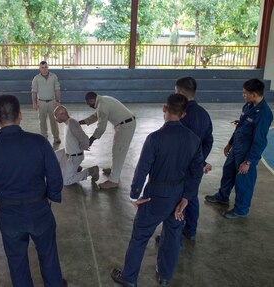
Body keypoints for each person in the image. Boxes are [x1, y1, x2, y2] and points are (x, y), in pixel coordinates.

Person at [0, 95, 67, 287]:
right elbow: (55, 177)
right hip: (40, 209)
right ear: (20, 115)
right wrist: (51, 198)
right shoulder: (39, 143)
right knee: (49, 257)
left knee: (17, 263)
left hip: (9, 215)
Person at [110, 94, 203, 287]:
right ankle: (164, 275)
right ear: (184, 114)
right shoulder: (193, 139)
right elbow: (196, 172)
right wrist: (187, 197)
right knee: (172, 236)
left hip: (155, 195)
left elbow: (142, 168)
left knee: (141, 235)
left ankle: (129, 277)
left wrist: (135, 194)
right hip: (178, 194)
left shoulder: (155, 139)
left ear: (164, 109)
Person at [205, 79, 273, 219]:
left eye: (245, 93)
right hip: (237, 147)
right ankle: (222, 196)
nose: (243, 95)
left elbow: (260, 141)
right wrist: (230, 143)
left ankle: (241, 209)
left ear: (254, 94)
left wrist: (248, 162)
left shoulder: (264, 114)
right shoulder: (248, 106)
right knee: (228, 173)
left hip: (247, 153)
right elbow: (240, 127)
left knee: (244, 182)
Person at [175, 77, 213, 240]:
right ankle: (190, 231)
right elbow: (208, 140)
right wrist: (201, 160)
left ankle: (176, 233)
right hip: (195, 165)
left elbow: (177, 143)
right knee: (191, 196)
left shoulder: (182, 115)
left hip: (182, 166)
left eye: (175, 91)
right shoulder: (204, 114)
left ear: (181, 93)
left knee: (178, 199)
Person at [79, 92, 136, 189]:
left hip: (125, 126)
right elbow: (95, 116)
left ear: (92, 100)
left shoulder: (102, 106)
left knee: (119, 151)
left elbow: (101, 127)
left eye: (89, 103)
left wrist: (91, 140)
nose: (89, 106)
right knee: (116, 149)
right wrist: (79, 123)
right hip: (125, 123)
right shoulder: (102, 100)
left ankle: (113, 181)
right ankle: (114, 170)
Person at [53, 105, 99, 185]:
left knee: (65, 181)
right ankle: (76, 168)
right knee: (51, 156)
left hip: (74, 157)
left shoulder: (72, 123)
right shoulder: (67, 122)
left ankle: (92, 171)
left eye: (56, 116)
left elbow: (84, 138)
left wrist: (83, 147)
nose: (55, 119)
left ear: (62, 114)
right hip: (66, 152)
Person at [31, 61, 61, 144]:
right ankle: (44, 137)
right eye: (42, 67)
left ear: (48, 67)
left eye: (46, 67)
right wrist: (34, 102)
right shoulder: (36, 78)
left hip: (52, 102)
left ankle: (56, 137)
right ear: (39, 68)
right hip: (41, 102)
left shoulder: (53, 76)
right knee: (42, 121)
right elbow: (34, 91)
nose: (44, 69)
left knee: (54, 120)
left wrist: (58, 101)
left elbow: (57, 89)